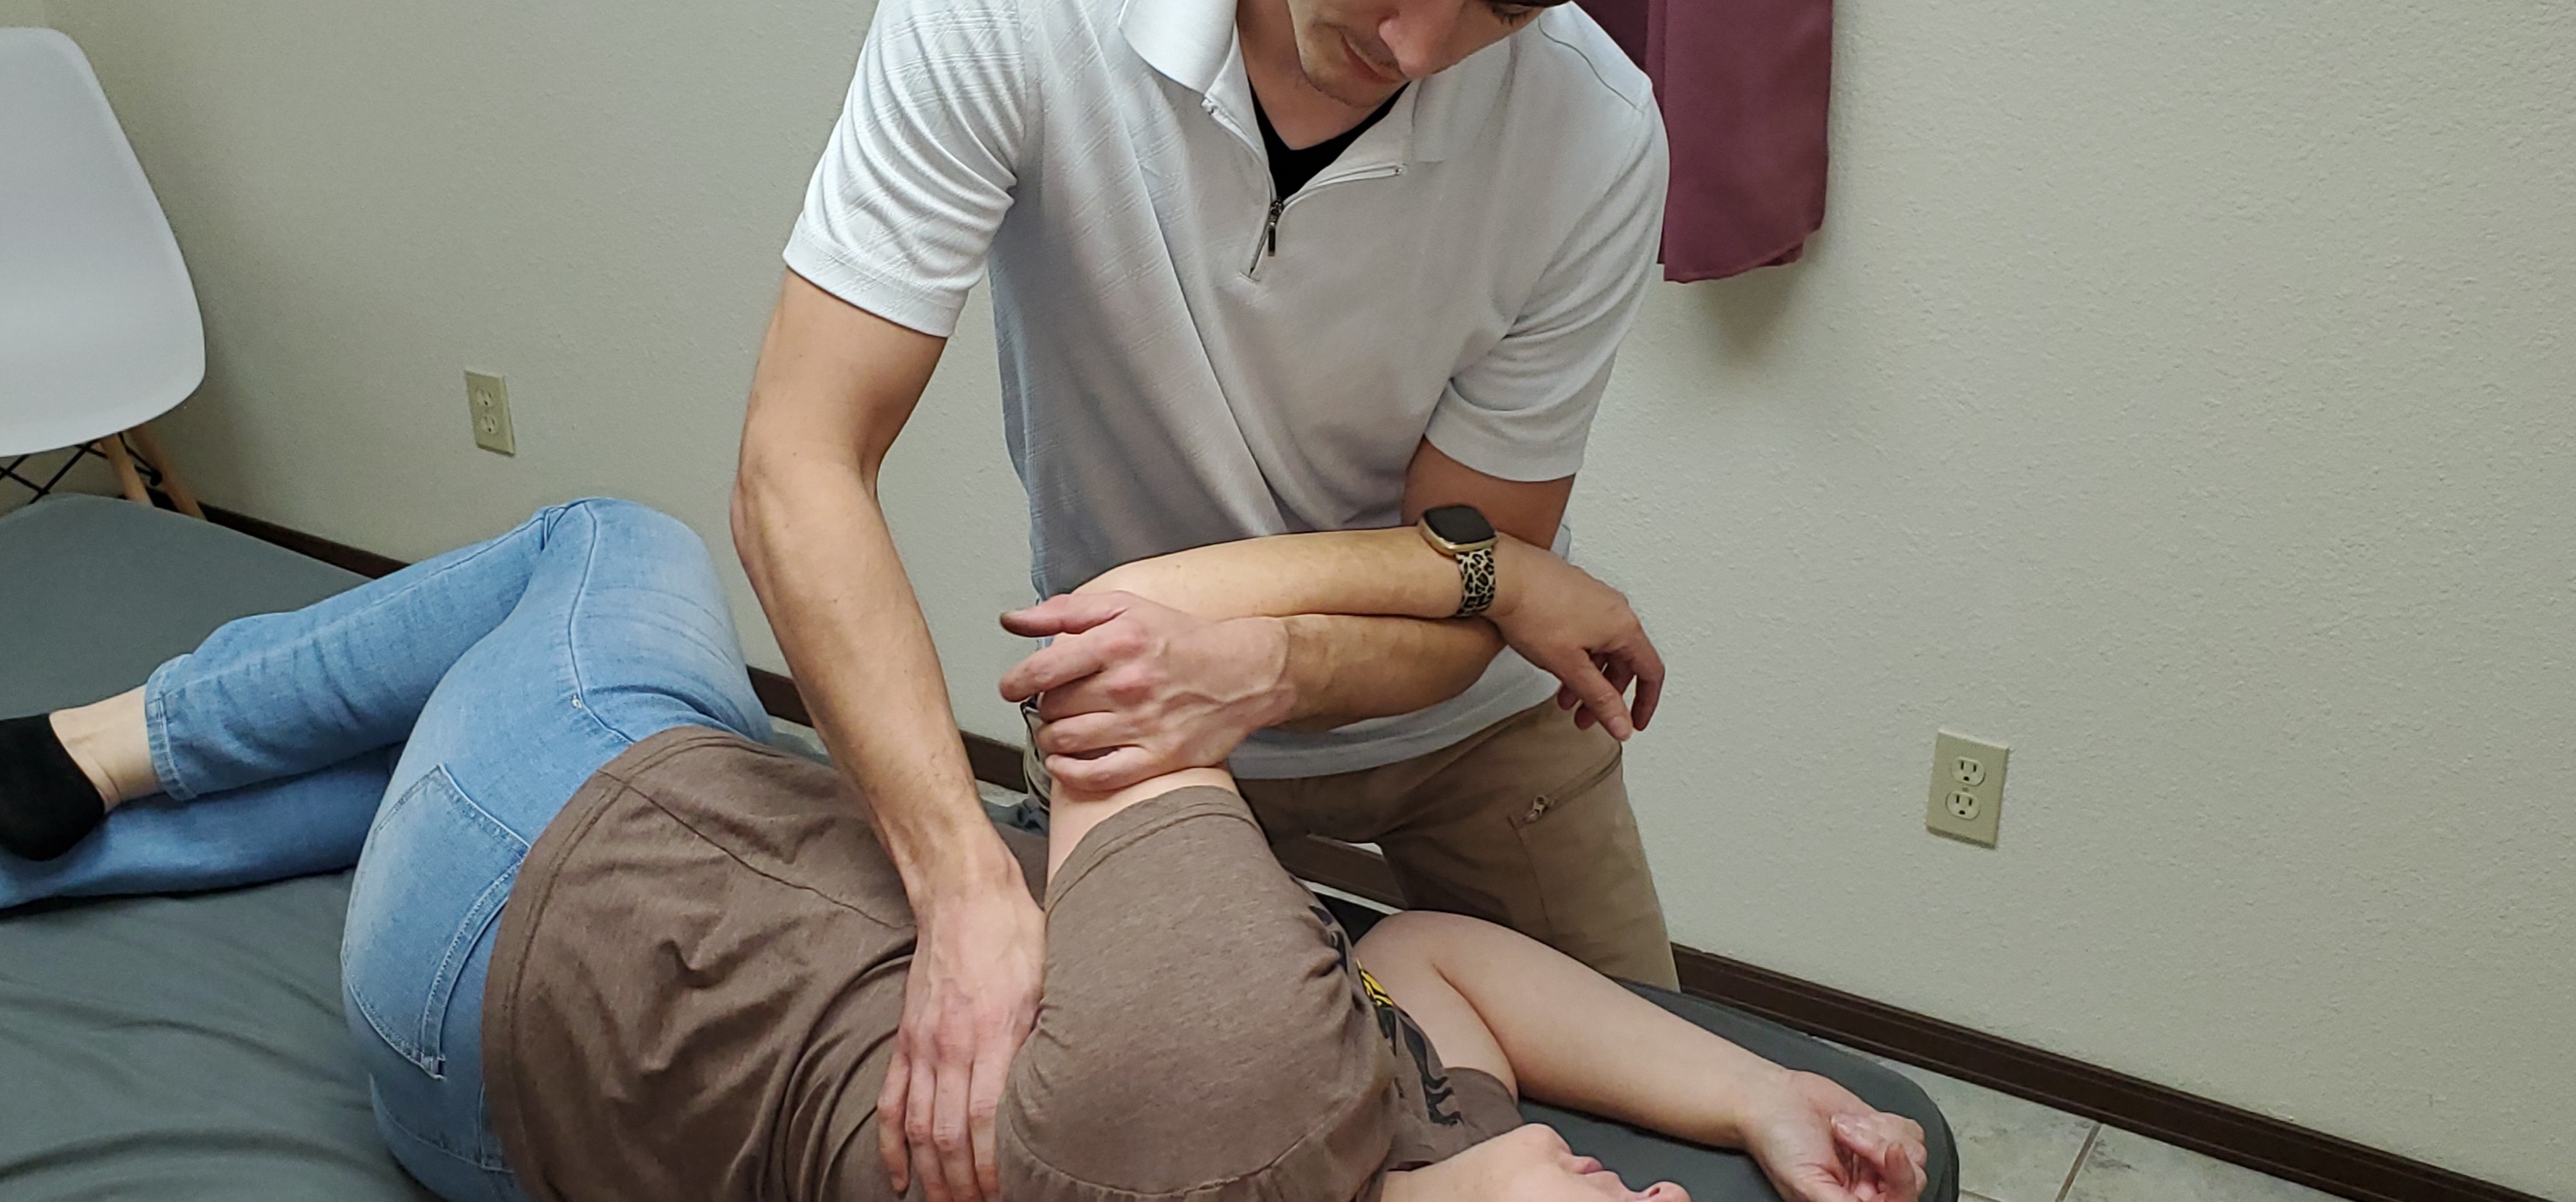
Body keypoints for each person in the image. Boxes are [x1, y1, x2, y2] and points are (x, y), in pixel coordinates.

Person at [733, 0, 1718, 1199]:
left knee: (1682, 1114)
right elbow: (797, 460)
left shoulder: (1592, 135)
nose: (1419, 47)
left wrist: (1265, 657)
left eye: (1510, 3)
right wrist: (962, 878)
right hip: (1144, 731)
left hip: (1454, 720)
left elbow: (1464, 578)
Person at [0, 499, 1940, 1202]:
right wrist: (1756, 1092)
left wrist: (1494, 570)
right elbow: (1444, 967)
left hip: (551, 906)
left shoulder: (1241, 1085)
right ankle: (70, 856)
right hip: (523, 1112)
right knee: (424, 749)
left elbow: (1117, 640)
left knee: (607, 547)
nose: (1652, 1190)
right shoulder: (1367, 1140)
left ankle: (97, 742)